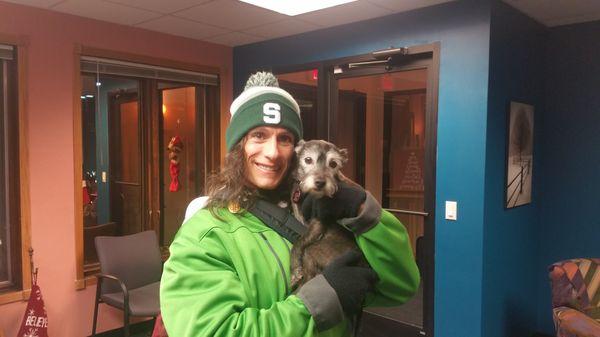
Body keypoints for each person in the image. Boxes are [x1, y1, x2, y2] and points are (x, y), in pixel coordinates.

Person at [159, 72, 420, 337]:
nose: (272, 153)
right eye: (259, 136)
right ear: (238, 146)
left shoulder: (321, 213)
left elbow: (399, 287)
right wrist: (320, 302)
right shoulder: (207, 232)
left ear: (296, 149)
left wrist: (363, 210)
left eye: (284, 138)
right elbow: (216, 331)